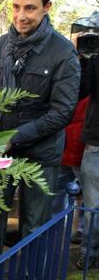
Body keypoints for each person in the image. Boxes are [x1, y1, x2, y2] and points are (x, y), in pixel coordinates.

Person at [0, 0, 80, 264]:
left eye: (30, 8)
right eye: (15, 7)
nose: (20, 16)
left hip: (41, 154)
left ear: (47, 7)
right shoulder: (3, 45)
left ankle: (29, 271)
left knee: (33, 227)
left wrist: (15, 137)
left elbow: (62, 112)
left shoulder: (63, 52)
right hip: (2, 150)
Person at [75, 35, 99, 269]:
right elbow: (81, 91)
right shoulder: (96, 59)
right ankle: (89, 253)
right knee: (92, 207)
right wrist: (83, 60)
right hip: (95, 144)